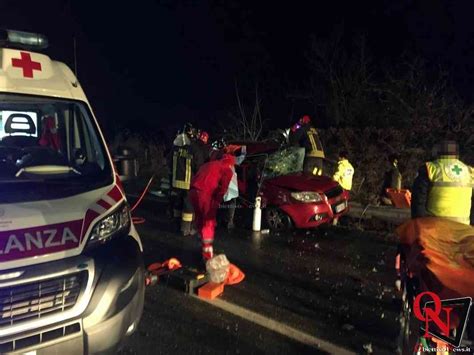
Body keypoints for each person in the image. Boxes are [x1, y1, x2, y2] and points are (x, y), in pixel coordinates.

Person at [411, 140, 473, 225]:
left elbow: (418, 199)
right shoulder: (469, 171)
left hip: (436, 227)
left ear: (438, 152)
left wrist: (419, 224)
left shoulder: (431, 169)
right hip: (462, 228)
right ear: (456, 154)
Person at [189, 154, 235, 261]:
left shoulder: (208, 164)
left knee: (200, 218)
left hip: (193, 192)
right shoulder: (227, 169)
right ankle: (207, 253)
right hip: (204, 194)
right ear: (231, 164)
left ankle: (201, 245)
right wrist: (217, 201)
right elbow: (223, 188)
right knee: (208, 220)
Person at [169, 123, 196, 236]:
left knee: (177, 203)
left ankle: (176, 225)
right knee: (188, 207)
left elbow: (169, 162)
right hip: (188, 183)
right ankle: (185, 229)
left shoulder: (174, 147)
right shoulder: (192, 148)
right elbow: (197, 164)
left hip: (176, 181)